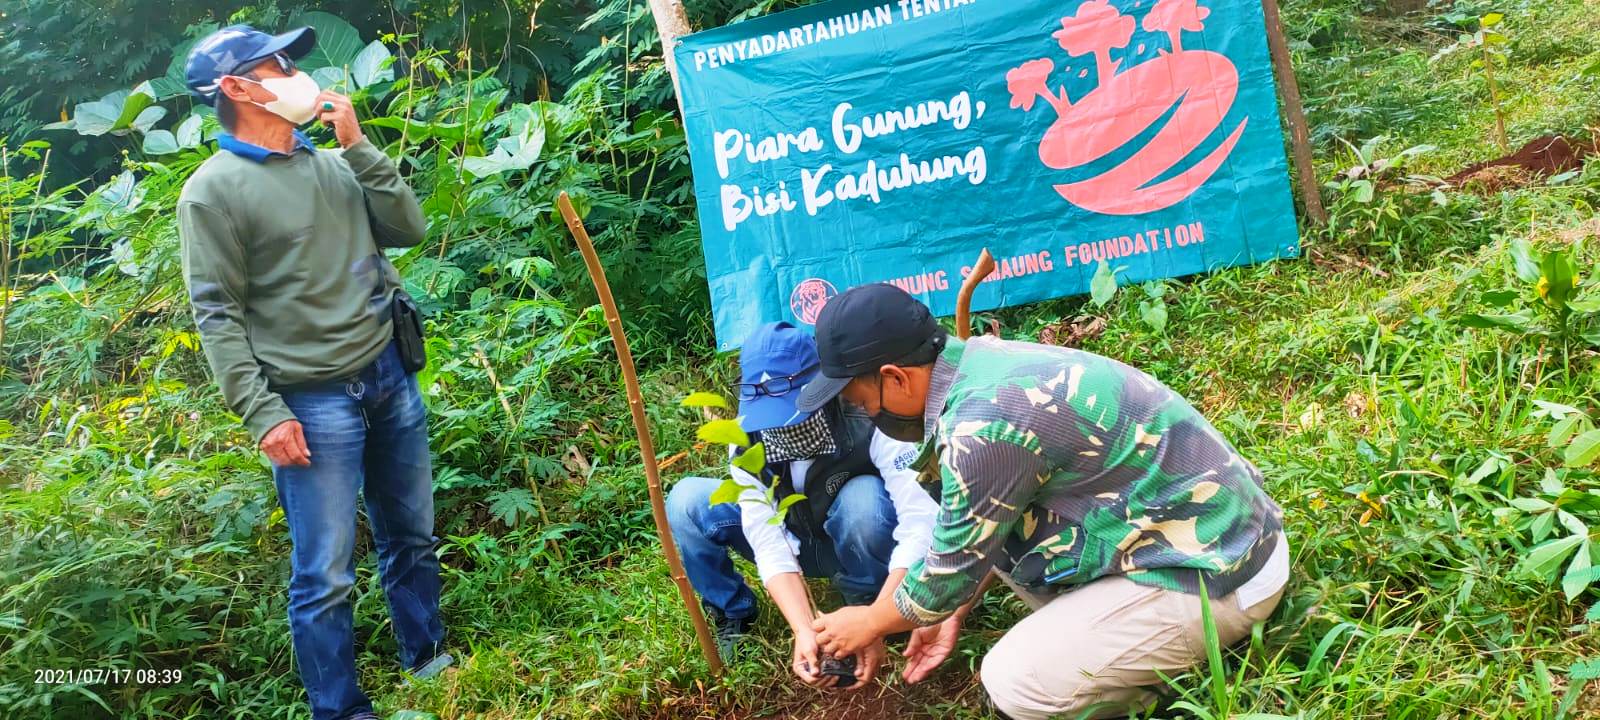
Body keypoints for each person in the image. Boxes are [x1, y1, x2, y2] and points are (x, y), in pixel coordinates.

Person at [802, 285, 1289, 720]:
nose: (865, 412)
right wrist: (948, 612)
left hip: (1219, 571)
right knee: (1011, 554)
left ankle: (1152, 687)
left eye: (861, 400)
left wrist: (870, 621)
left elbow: (946, 576)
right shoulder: (979, 364)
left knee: (1015, 682)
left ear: (896, 378)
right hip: (1209, 530)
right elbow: (972, 536)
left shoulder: (982, 426)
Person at [178, 25, 448, 720]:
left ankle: (429, 659)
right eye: (277, 63)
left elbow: (410, 228)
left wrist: (357, 145)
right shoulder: (213, 192)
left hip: (389, 374)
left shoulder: (329, 164)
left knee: (411, 535)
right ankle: (341, 709)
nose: (297, 71)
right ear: (236, 88)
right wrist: (264, 413)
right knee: (324, 573)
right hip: (312, 402)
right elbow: (217, 315)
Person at [666, 321, 939, 688]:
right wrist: (802, 629)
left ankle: (862, 599)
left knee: (862, 499)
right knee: (686, 500)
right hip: (798, 537)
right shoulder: (746, 440)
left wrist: (873, 619)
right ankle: (734, 613)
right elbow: (767, 539)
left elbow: (921, 520)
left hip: (859, 535)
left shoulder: (867, 415)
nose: (777, 429)